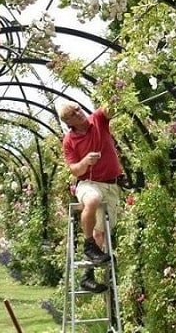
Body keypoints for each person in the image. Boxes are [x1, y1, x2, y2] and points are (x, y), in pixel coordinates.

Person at [58, 100, 123, 294]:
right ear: (68, 122)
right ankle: (88, 245)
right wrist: (85, 161)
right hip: (88, 183)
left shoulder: (98, 120)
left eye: (78, 108)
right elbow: (75, 170)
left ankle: (87, 277)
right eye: (73, 113)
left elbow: (110, 108)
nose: (79, 113)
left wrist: (114, 92)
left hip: (111, 185)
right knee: (93, 199)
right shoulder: (69, 141)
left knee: (101, 233)